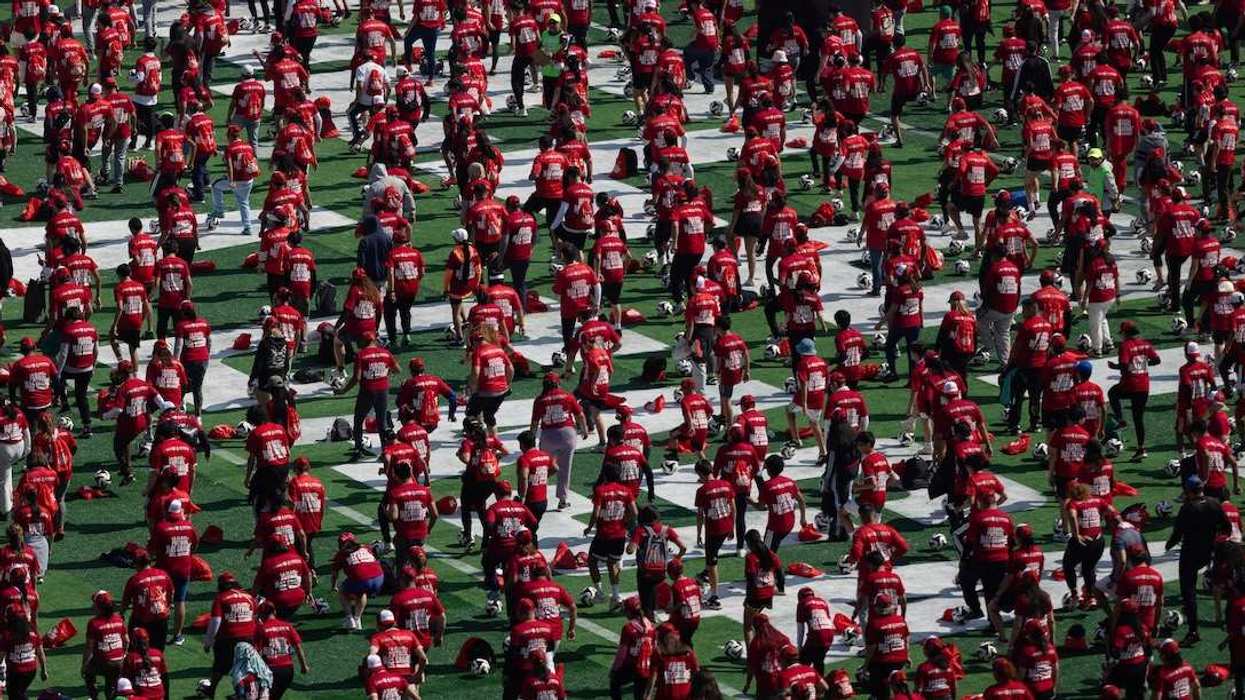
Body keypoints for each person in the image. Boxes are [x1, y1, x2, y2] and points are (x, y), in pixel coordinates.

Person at [1166, 475, 1227, 644]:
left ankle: (1193, 631)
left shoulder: (1188, 508)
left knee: (1189, 591)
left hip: (1190, 553)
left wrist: (1168, 546)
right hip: (1207, 552)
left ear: (1188, 491)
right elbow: (1226, 527)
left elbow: (1177, 534)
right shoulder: (1214, 503)